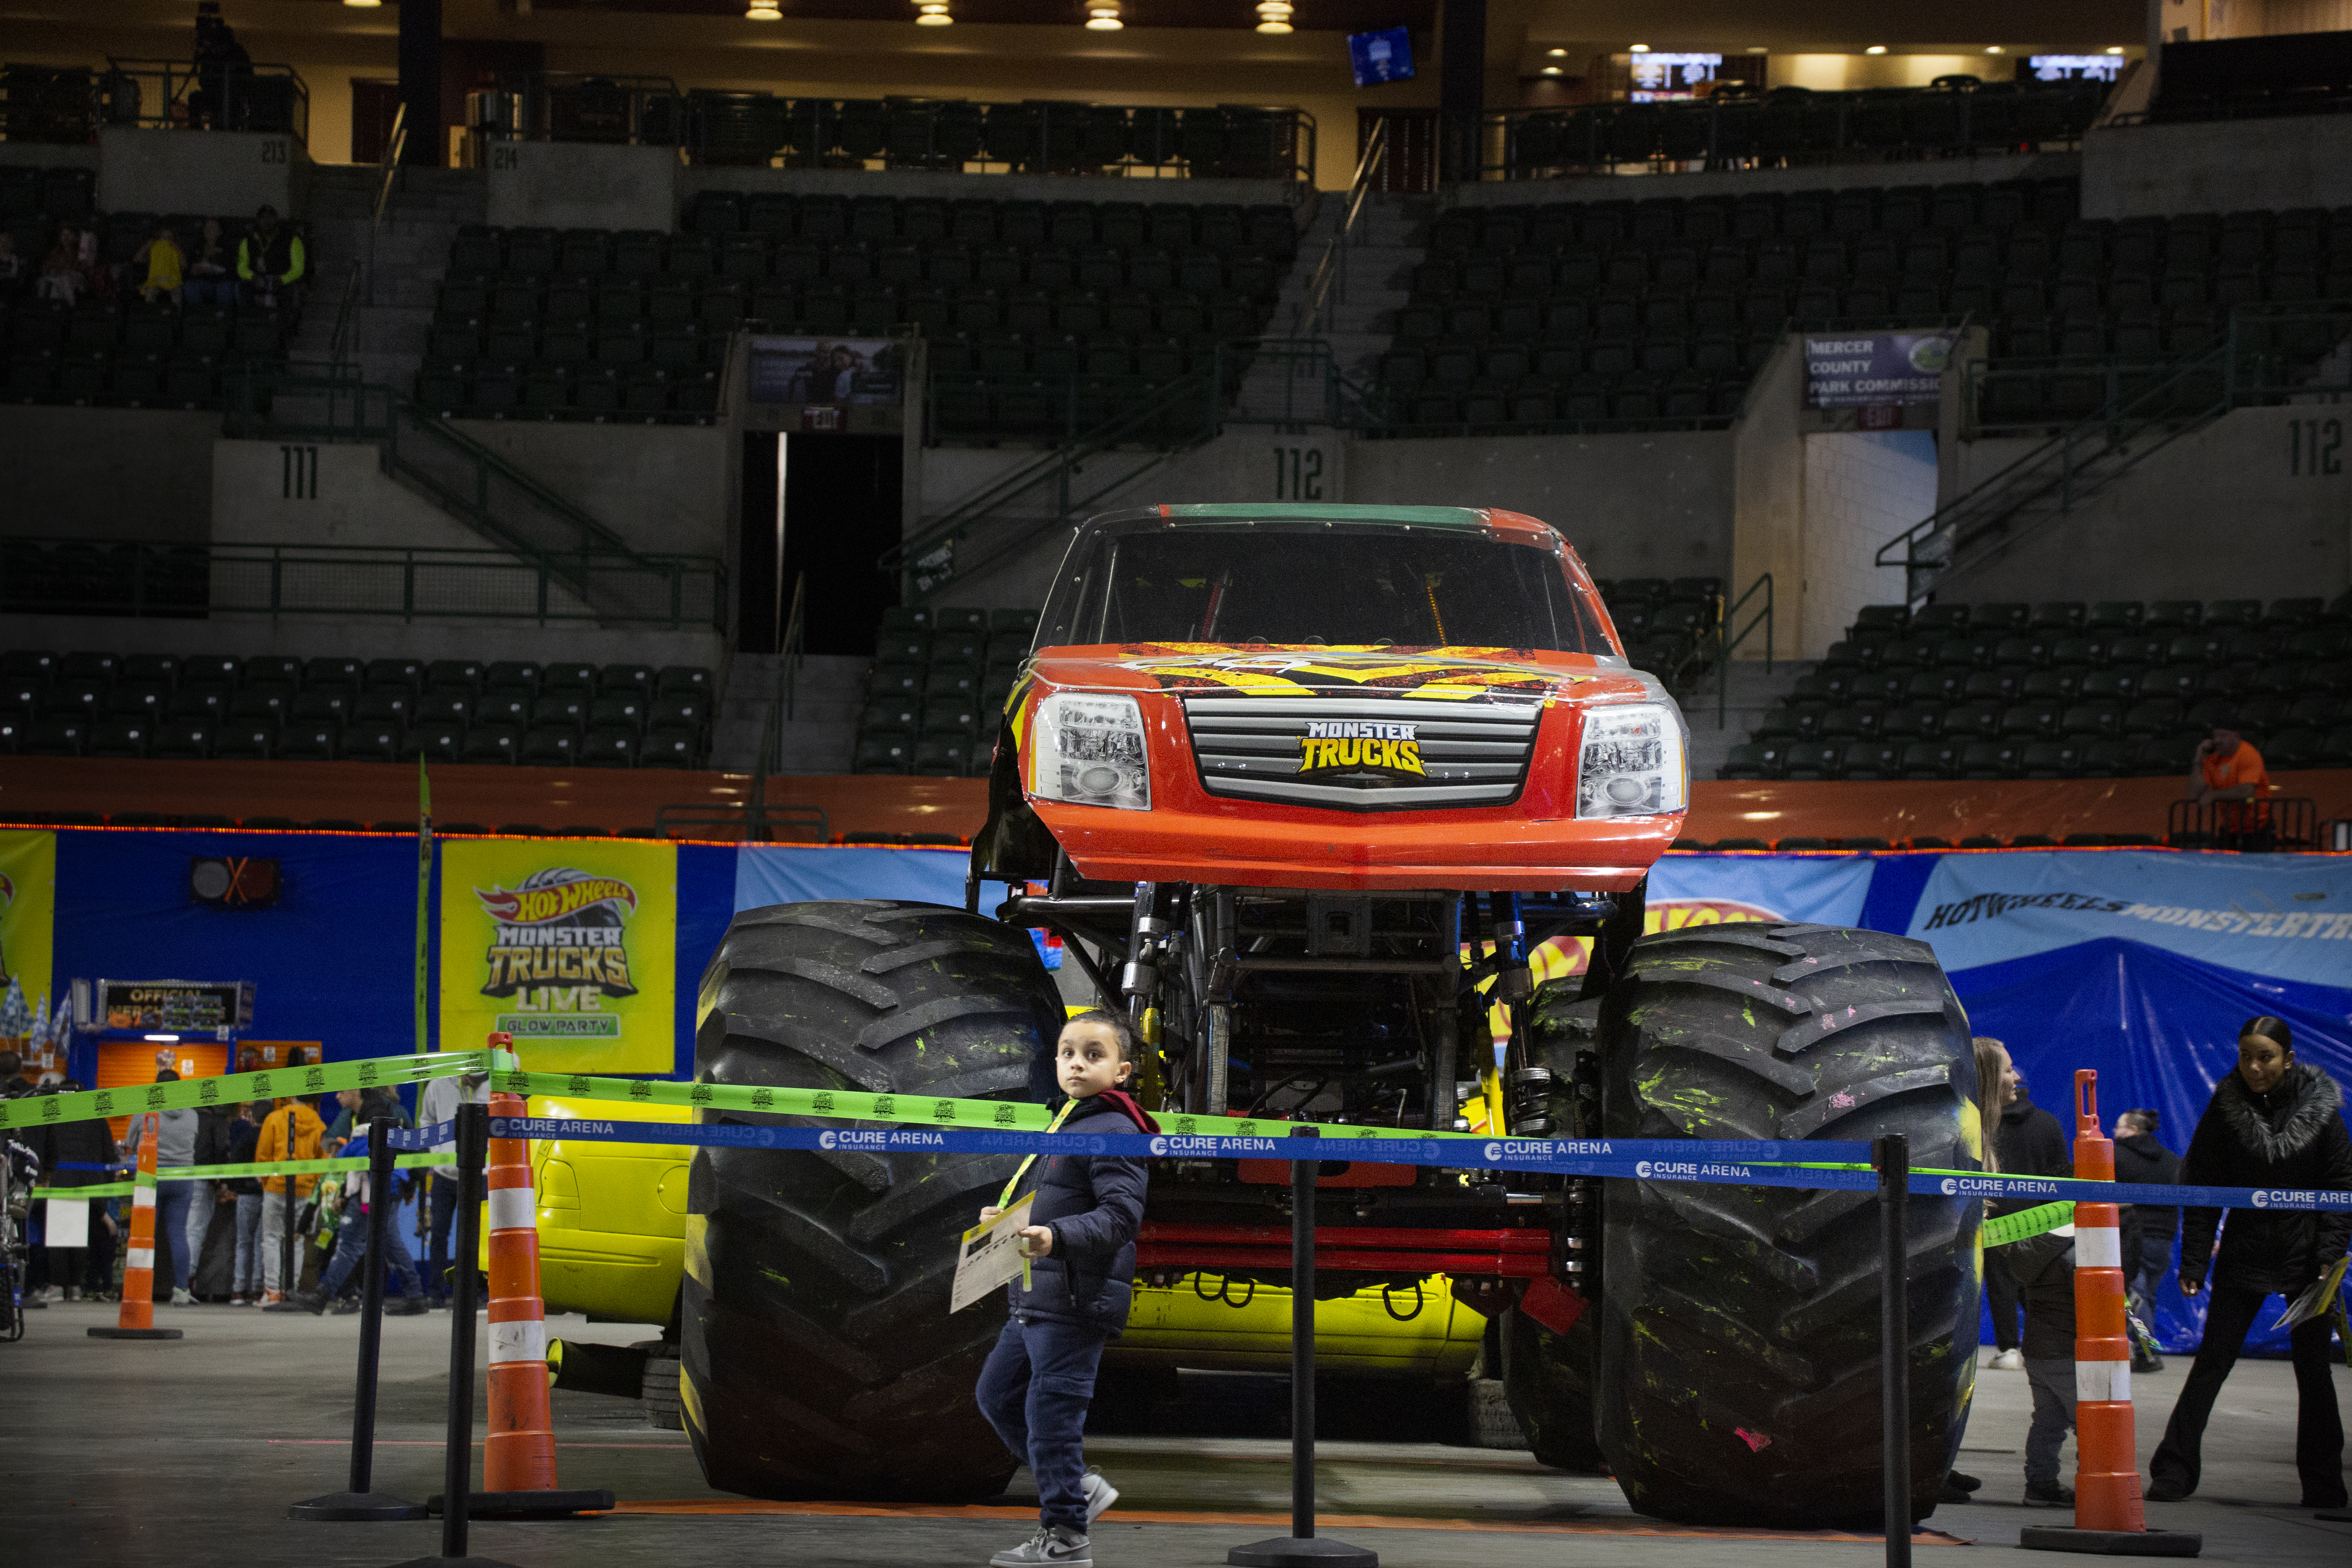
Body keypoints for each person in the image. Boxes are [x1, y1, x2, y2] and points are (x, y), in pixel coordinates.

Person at [975, 1011, 1157, 1568]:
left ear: (1121, 1070)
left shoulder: (1118, 1130)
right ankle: (1075, 1487)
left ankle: (1066, 1537)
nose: (1076, 1061)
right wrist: (1004, 1220)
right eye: (1066, 1051)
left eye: (1093, 1054)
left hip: (1075, 1299)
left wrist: (1052, 1237)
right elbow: (1056, 1199)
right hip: (1037, 1296)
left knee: (1049, 1415)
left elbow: (1119, 1219)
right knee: (997, 1396)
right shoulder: (1065, 1122)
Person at [2147, 1017, 2351, 1509]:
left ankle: (2324, 1485)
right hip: (2244, 1254)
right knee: (2211, 1363)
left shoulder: (2323, 1112)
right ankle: (2173, 1472)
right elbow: (2201, 1187)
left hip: (2307, 1264)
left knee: (2314, 1370)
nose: (2255, 1067)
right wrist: (2193, 1262)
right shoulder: (2225, 1107)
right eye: (2246, 1056)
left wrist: (2328, 1256)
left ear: (2289, 1059)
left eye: (2266, 1057)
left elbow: (2342, 1187)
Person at [269, 1121, 427, 1316]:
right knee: (391, 1244)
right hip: (389, 1193)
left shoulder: (360, 1143)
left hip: (368, 1196)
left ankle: (323, 1296)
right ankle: (415, 1296)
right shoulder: (390, 1140)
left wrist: (352, 1197)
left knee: (349, 1246)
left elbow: (346, 1162)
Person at [1983, 1049, 2067, 1371]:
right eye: (2007, 1071)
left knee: (2001, 1285)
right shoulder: (2047, 1123)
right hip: (2040, 1220)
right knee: (2040, 1286)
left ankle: (2008, 1348)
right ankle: (2052, 1343)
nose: (2015, 1077)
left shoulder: (1980, 1124)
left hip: (1994, 1220)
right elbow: (2061, 1176)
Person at [32, 1079, 117, 1302]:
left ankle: (58, 1287)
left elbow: (43, 1150)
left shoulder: (53, 1115)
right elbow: (109, 1154)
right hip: (89, 1183)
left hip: (60, 1180)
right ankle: (76, 1288)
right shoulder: (95, 1118)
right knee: (81, 1237)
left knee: (59, 1236)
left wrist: (41, 1179)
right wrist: (106, 1187)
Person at [124, 1071, 202, 1307]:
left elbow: (129, 1143)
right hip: (183, 1178)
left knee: (145, 1235)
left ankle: (140, 1290)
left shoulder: (145, 1111)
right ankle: (181, 1290)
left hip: (150, 1175)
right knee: (178, 1233)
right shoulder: (192, 1114)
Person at [2113, 1108, 2181, 1373]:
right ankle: (2145, 1354)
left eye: (2119, 1126)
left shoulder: (2116, 1156)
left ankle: (2148, 1351)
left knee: (2134, 1297)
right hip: (2163, 1239)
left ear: (2132, 1131)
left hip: (2130, 1235)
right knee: (2146, 1294)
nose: (2114, 1132)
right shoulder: (2172, 1160)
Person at [416, 1064, 489, 1307]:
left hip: (480, 1173)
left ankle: (477, 1293)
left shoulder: (492, 1085)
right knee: (438, 1234)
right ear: (463, 1074)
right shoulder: (438, 1085)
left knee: (477, 1236)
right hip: (444, 1174)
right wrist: (437, 1151)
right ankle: (436, 1293)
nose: (478, 1086)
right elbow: (427, 1119)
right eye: (474, 1081)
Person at [254, 1092, 327, 1306]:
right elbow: (322, 1160)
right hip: (305, 1191)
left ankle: (273, 1292)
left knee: (271, 1238)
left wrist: (269, 1183)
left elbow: (263, 1156)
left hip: (277, 1187)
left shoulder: (274, 1119)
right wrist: (311, 1183)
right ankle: (291, 1291)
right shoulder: (319, 1124)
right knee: (298, 1240)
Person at [2186, 720, 2272, 845]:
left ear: (2236, 736)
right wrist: (2199, 757)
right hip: (2229, 830)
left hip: (2258, 830)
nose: (2217, 741)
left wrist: (2213, 795)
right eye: (2215, 736)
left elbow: (2247, 791)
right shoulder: (2212, 760)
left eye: (2223, 736)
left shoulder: (2248, 755)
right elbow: (2194, 793)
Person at [224, 1102, 264, 1305]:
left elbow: (235, 1164)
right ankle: (258, 1289)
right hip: (267, 1194)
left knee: (244, 1242)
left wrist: (235, 1187)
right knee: (261, 1243)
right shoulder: (271, 1137)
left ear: (253, 1117)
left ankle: (239, 1290)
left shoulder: (245, 1137)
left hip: (247, 1196)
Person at [237, 205, 305, 310]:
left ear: (276, 220)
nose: (267, 221)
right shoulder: (248, 241)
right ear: (258, 221)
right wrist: (252, 277)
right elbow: (241, 267)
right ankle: (249, 321)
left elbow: (299, 269)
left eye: (270, 218)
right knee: (242, 287)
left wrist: (283, 279)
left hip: (281, 282)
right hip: (258, 280)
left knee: (290, 290)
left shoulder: (292, 240)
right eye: (263, 218)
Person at [183, 217, 233, 306]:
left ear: (220, 232)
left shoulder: (226, 248)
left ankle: (222, 316)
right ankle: (197, 317)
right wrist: (193, 270)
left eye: (213, 228)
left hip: (220, 281)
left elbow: (231, 270)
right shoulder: (197, 246)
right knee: (191, 287)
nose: (208, 230)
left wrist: (215, 269)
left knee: (225, 288)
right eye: (207, 228)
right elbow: (188, 269)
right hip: (201, 281)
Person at [131, 222, 185, 305]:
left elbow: (184, 266)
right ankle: (151, 314)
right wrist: (147, 246)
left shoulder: (175, 251)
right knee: (150, 293)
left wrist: (178, 250)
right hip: (156, 280)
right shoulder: (154, 250)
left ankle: (176, 315)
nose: (165, 240)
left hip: (172, 280)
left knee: (176, 294)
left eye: (169, 238)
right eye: (163, 237)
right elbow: (137, 259)